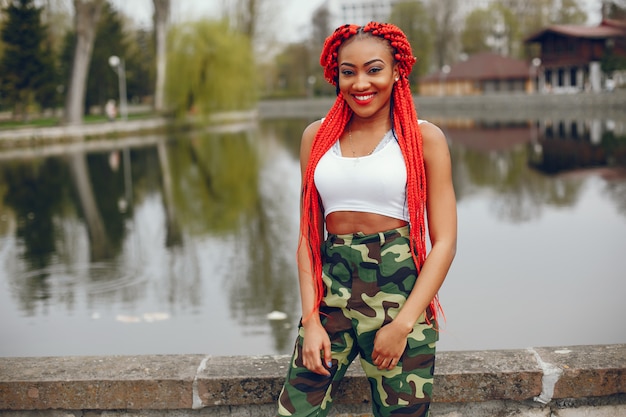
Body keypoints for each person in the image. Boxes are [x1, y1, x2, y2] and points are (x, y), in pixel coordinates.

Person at [277, 22, 457, 417]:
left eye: (374, 69)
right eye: (348, 71)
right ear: (335, 74)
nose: (361, 82)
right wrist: (310, 321)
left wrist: (404, 324)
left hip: (400, 297)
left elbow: (444, 243)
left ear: (397, 71)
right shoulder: (316, 136)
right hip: (330, 297)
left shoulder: (423, 139)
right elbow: (308, 236)